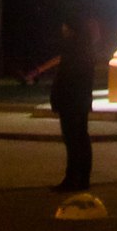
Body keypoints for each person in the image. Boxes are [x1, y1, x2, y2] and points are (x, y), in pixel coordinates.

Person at [28, 14, 97, 193]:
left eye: (65, 28)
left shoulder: (73, 50)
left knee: (73, 141)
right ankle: (83, 179)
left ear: (71, 30)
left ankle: (71, 179)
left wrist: (57, 98)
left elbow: (66, 78)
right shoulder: (85, 49)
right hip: (80, 101)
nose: (63, 31)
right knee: (81, 139)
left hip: (71, 102)